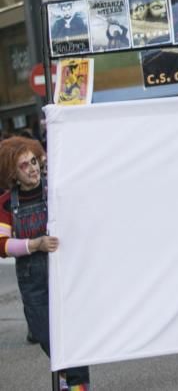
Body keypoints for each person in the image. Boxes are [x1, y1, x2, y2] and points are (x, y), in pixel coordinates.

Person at [0, 137, 91, 390]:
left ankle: (76, 384)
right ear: (12, 174)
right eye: (24, 166)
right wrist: (34, 245)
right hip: (33, 281)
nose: (32, 169)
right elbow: (2, 245)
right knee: (43, 334)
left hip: (66, 272)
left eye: (34, 161)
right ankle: (68, 377)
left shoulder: (56, 191)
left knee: (72, 336)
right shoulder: (6, 203)